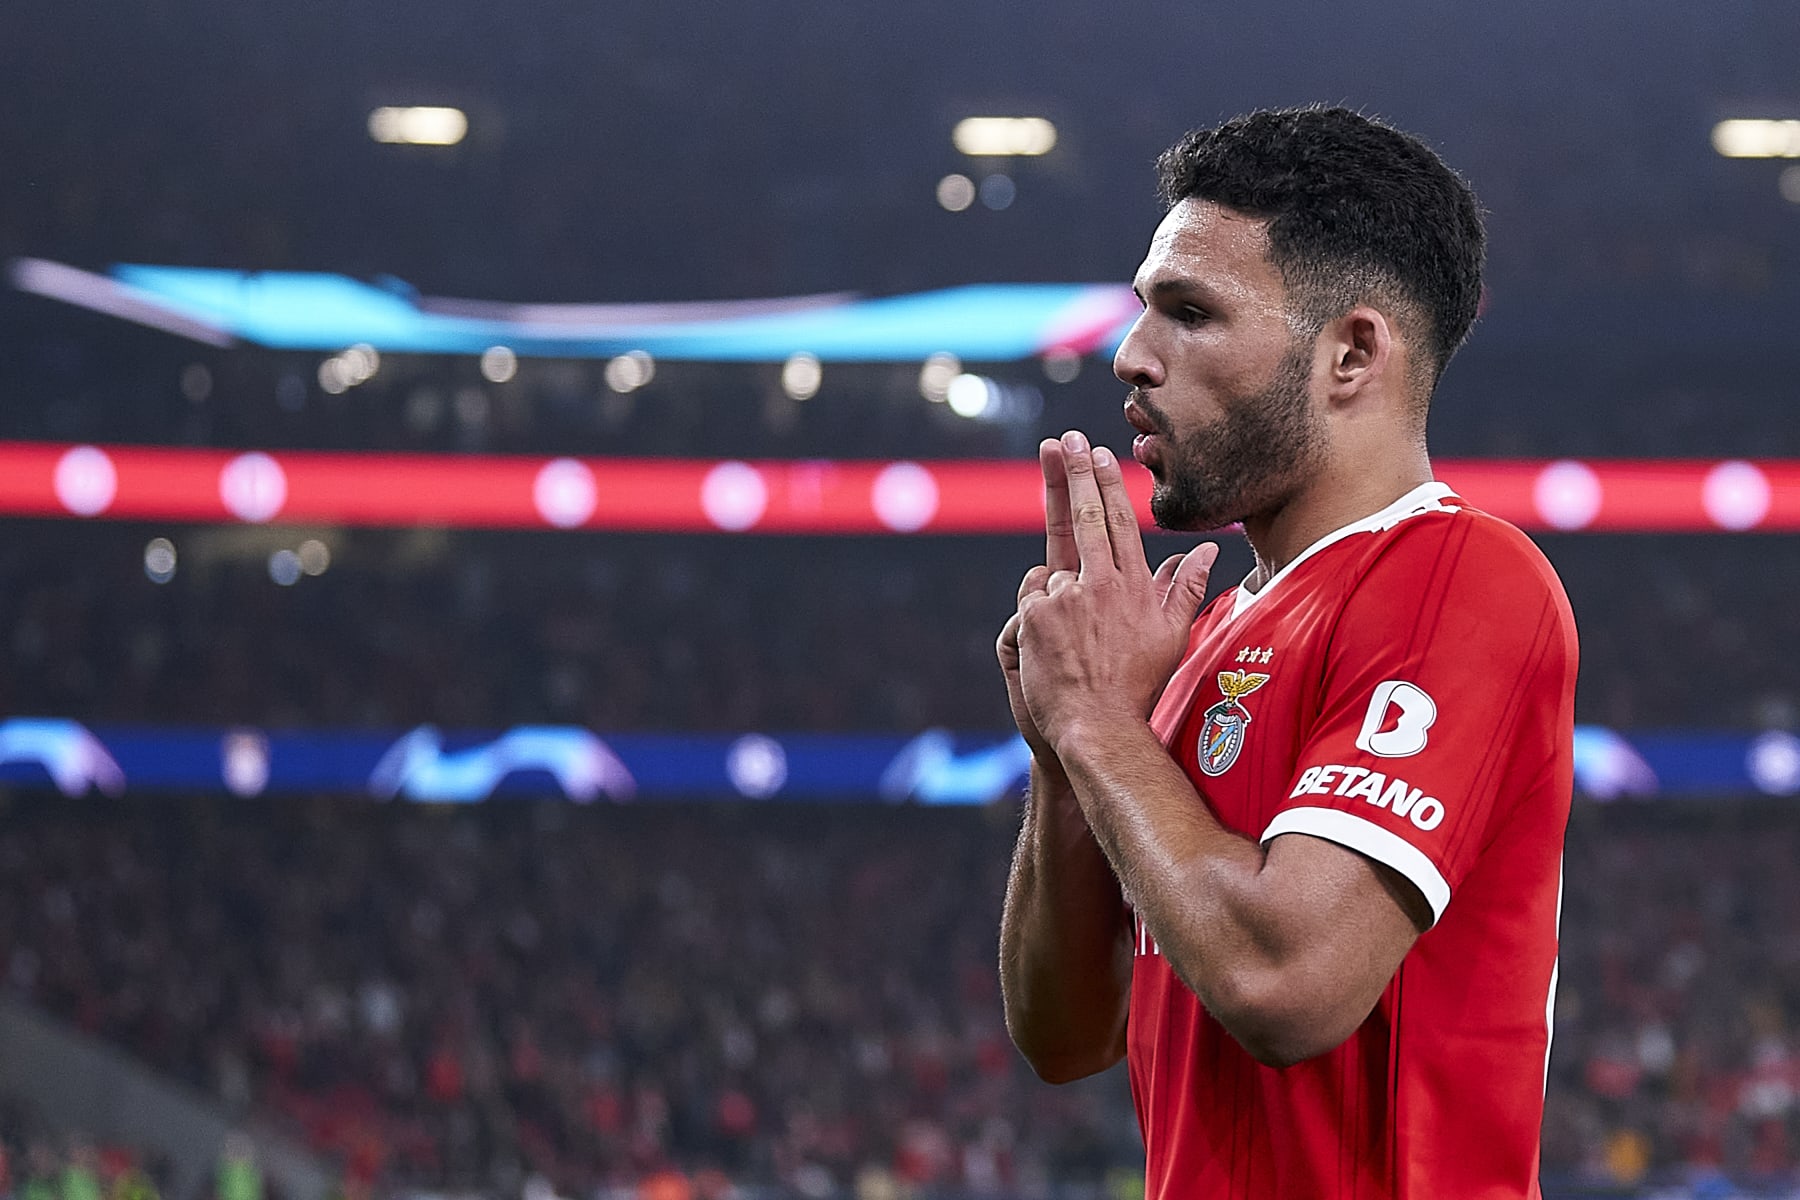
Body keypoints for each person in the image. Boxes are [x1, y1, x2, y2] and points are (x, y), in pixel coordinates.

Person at [995, 106, 1578, 1199]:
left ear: (1351, 352)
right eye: (1142, 311)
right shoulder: (1208, 634)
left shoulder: (1460, 579)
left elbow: (1285, 985)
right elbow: (1065, 1034)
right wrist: (1064, 743)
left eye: (1191, 312)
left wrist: (1098, 724)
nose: (1131, 356)